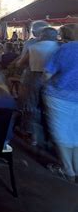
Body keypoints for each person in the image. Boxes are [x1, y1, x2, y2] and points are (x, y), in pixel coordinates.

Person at [43, 24, 78, 182]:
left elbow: (48, 73)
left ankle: (67, 169)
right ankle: (76, 168)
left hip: (60, 95)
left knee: (62, 131)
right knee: (75, 133)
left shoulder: (65, 49)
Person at [19, 27, 60, 145]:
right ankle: (50, 135)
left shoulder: (34, 47)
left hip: (33, 77)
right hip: (52, 79)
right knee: (48, 107)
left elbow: (21, 62)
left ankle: (32, 135)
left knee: (31, 105)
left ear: (42, 35)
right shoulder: (59, 47)